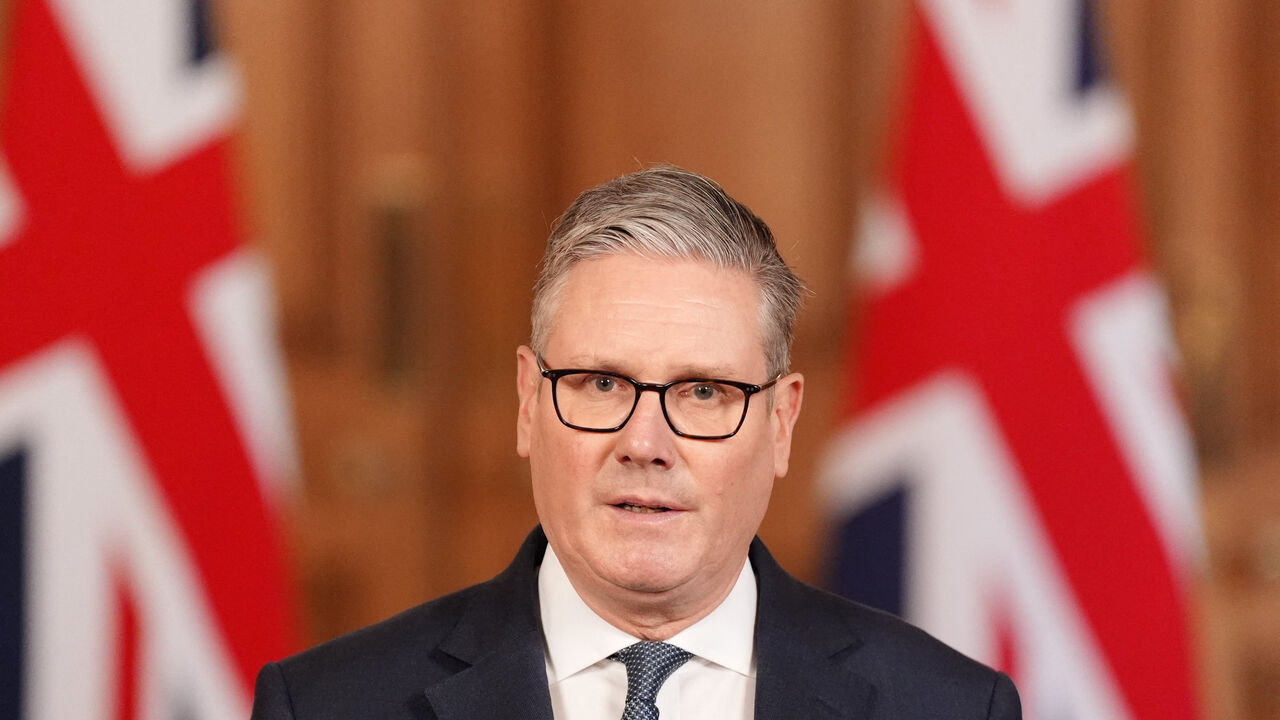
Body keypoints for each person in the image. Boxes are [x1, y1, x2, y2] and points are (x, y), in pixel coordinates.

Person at [250, 166, 1022, 719]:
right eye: (602, 384)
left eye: (704, 392)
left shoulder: (951, 708)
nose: (644, 442)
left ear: (781, 424)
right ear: (529, 403)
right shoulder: (324, 705)